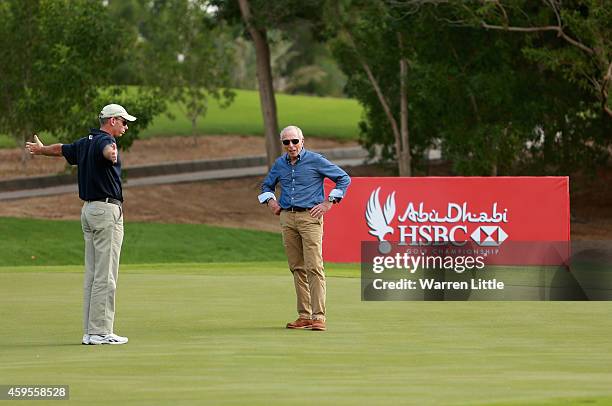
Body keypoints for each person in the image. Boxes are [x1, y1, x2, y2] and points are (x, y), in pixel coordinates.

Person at [25, 104, 136, 345]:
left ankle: (90, 331)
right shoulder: (105, 141)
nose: (126, 126)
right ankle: (100, 332)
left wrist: (42, 150)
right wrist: (111, 154)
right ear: (112, 121)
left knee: (94, 274)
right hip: (106, 211)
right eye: (124, 122)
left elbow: (63, 149)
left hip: (89, 211)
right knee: (105, 275)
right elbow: (108, 151)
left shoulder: (85, 141)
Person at [258, 125, 351, 331]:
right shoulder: (279, 164)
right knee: (297, 267)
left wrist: (329, 203)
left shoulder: (315, 160)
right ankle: (304, 315)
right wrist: (271, 202)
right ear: (283, 144)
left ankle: (319, 316)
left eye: (294, 141)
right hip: (287, 218)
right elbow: (266, 186)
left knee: (314, 267)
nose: (291, 146)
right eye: (286, 142)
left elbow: (343, 178)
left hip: (310, 217)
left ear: (302, 141)